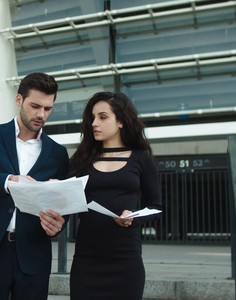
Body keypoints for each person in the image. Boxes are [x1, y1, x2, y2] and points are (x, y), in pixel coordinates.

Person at [0, 72, 70, 300]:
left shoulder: (58, 153)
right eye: (35, 106)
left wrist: (59, 223)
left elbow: (62, 204)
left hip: (34, 251)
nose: (41, 114)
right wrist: (10, 181)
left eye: (48, 108)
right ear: (19, 100)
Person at [68, 91, 163, 299]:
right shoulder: (81, 159)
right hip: (87, 259)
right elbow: (66, 198)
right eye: (92, 118)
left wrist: (133, 217)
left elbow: (155, 206)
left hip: (125, 259)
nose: (94, 123)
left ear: (120, 121)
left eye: (102, 117)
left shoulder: (141, 158)